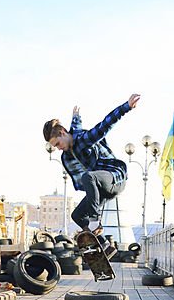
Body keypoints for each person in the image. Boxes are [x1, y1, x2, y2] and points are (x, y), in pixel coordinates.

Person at [43, 94, 141, 256]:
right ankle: (105, 246)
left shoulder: (84, 139)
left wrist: (126, 107)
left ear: (62, 133)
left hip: (115, 177)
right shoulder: (67, 153)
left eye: (58, 144)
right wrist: (75, 117)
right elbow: (75, 127)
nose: (59, 148)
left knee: (89, 177)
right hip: (100, 188)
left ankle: (96, 223)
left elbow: (105, 125)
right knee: (77, 215)